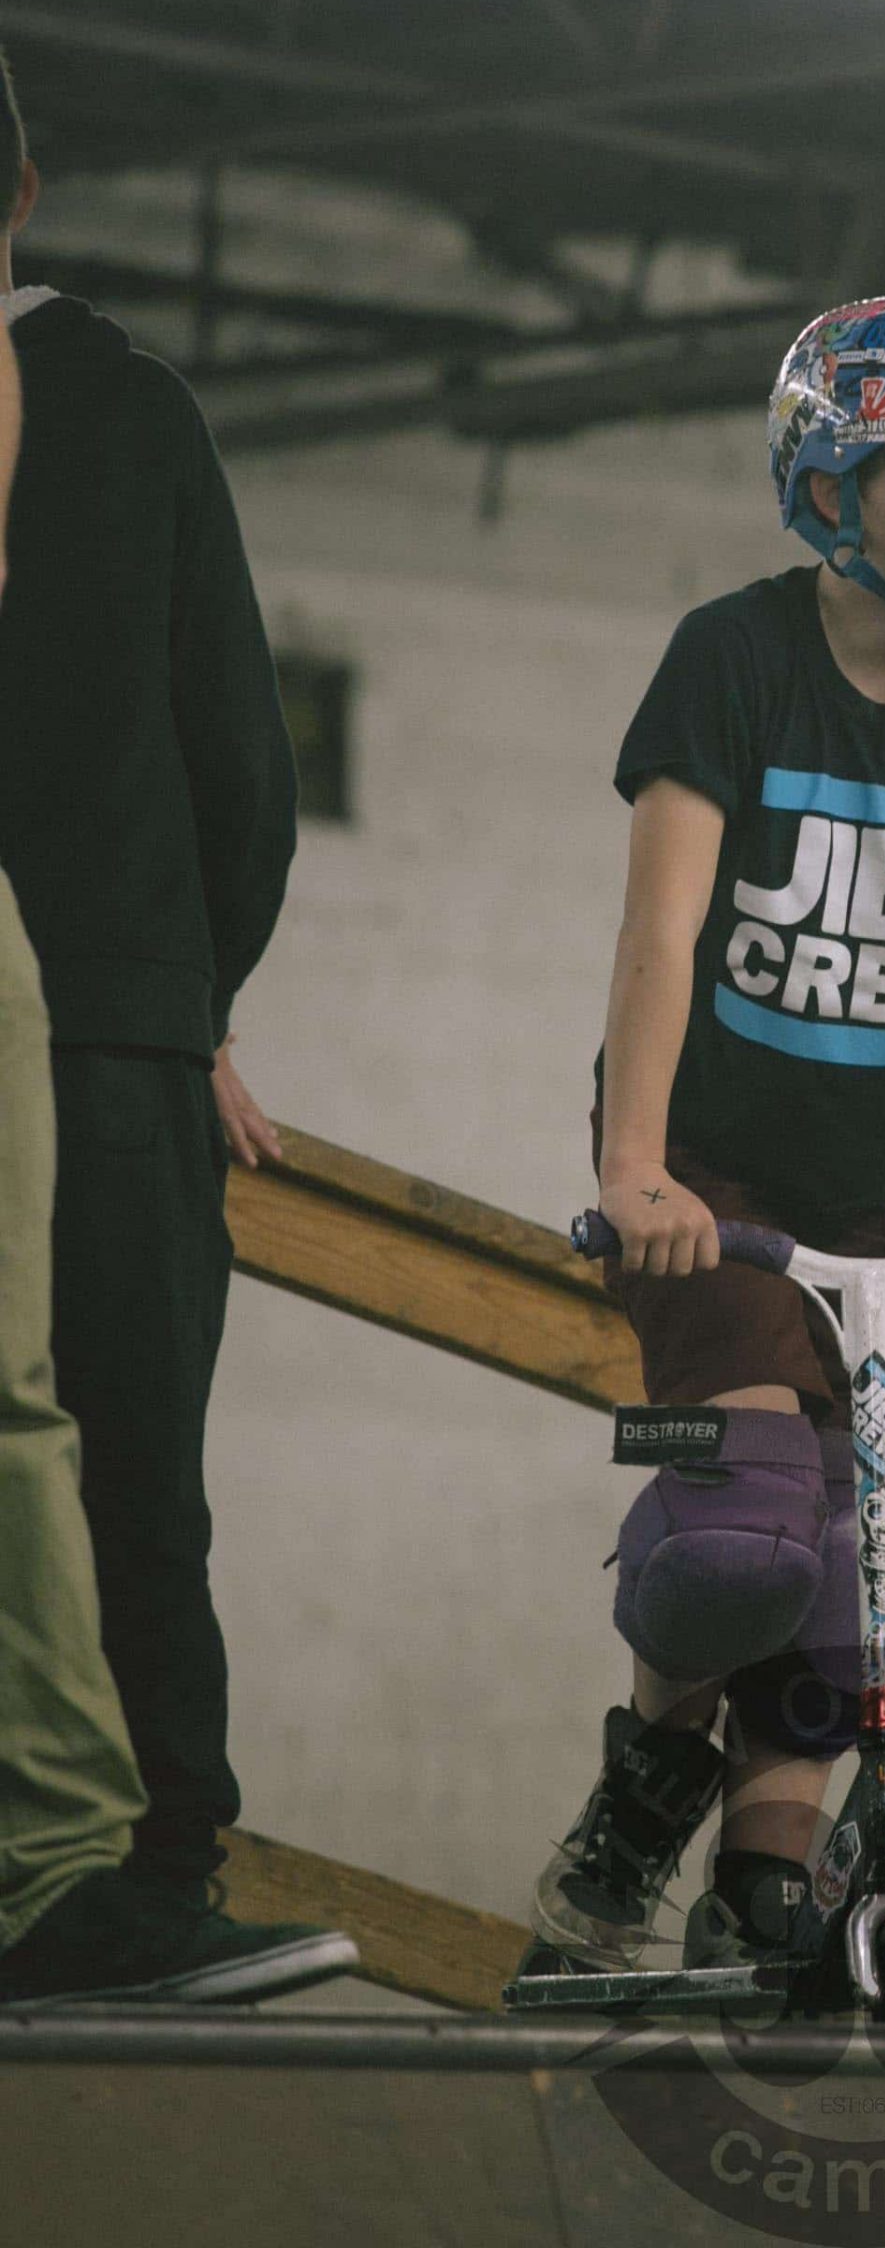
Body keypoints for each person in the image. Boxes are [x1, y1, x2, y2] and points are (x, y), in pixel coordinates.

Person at [521, 294, 885, 1984]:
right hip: (707, 1162)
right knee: (742, 1526)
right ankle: (630, 1831)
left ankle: (764, 1874)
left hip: (879, 1188)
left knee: (877, 1553)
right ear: (829, 494)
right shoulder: (734, 655)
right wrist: (634, 1165)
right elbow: (660, 930)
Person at [0, 305, 355, 2002]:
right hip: (118, 1017)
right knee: (127, 1461)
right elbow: (240, 764)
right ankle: (154, 1878)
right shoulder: (128, 407)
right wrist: (189, 1000)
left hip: (113, 1009)